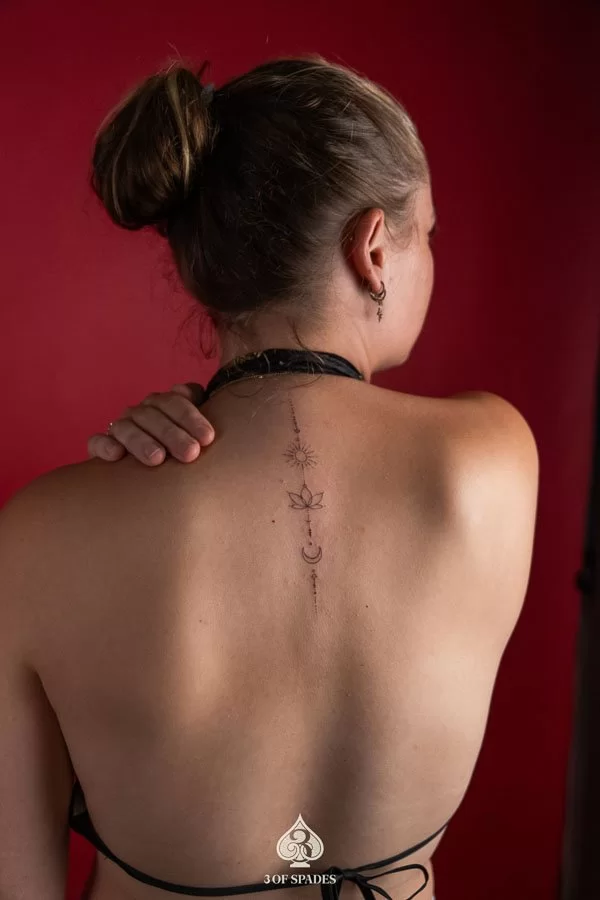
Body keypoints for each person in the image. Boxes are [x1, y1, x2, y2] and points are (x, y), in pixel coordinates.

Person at [0, 55, 539, 900]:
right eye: (426, 233)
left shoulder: (37, 538)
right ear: (373, 248)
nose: (431, 255)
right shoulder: (494, 461)